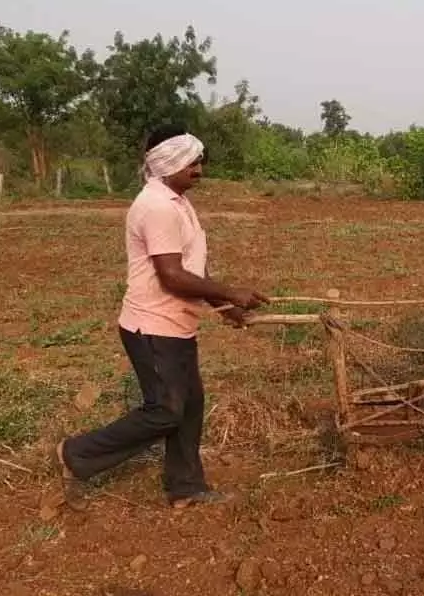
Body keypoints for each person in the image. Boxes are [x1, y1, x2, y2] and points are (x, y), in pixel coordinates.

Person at [55, 125, 270, 510]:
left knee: (189, 405)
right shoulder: (156, 207)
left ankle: (185, 486)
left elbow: (191, 269)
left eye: (199, 160)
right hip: (152, 325)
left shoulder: (176, 201)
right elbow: (171, 276)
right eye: (190, 161)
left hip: (175, 323)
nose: (199, 168)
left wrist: (225, 309)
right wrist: (230, 291)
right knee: (167, 410)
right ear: (166, 162)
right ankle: (77, 453)